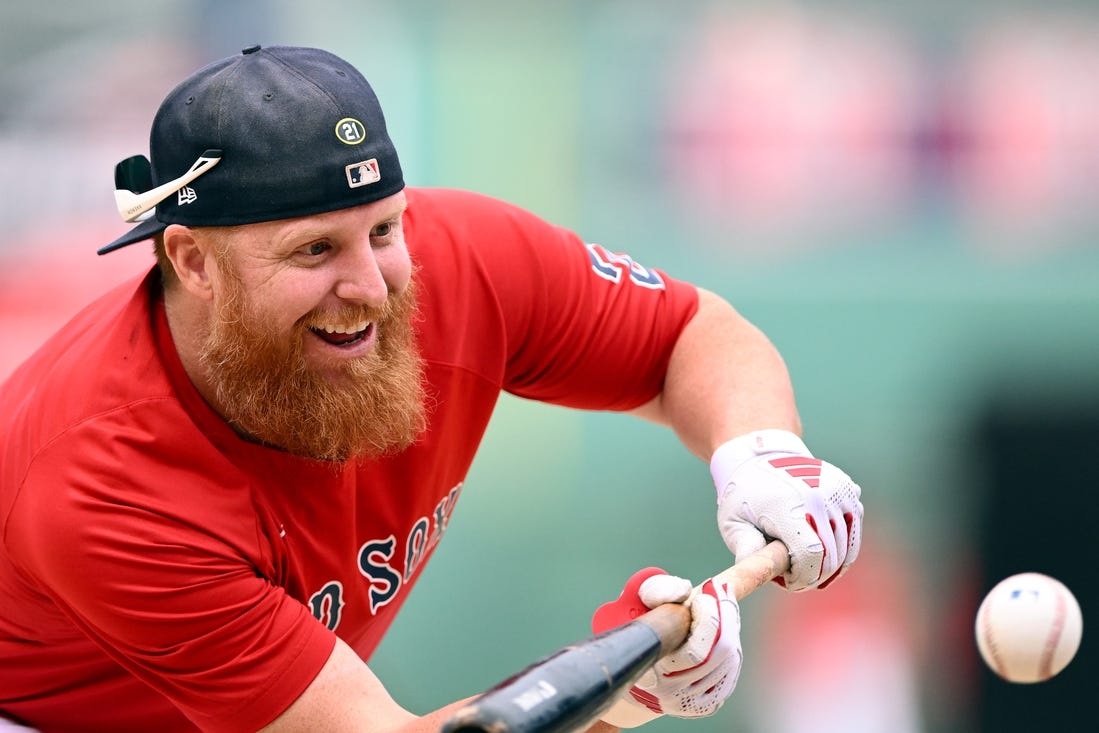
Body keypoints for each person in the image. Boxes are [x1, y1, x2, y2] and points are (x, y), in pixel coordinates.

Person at [0, 45, 864, 733]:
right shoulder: (102, 483)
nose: (371, 286)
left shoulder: (455, 263)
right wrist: (627, 687)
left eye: (382, 229)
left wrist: (760, 452)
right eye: (314, 250)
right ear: (192, 260)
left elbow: (687, 335)